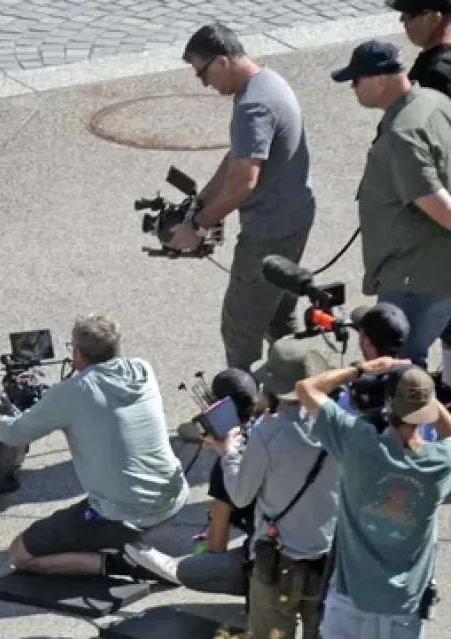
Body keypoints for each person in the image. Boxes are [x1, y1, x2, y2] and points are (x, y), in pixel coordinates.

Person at [0, 315, 189, 584]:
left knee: (20, 554)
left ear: (78, 353)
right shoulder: (142, 369)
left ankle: (122, 561)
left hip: (125, 514)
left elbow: (13, 434)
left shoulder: (73, 392)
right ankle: (118, 543)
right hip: (174, 496)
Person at [169, 23, 317, 372]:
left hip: (269, 231)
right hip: (294, 218)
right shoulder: (268, 81)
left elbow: (243, 183)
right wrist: (203, 200)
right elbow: (238, 157)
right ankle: (292, 383)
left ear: (222, 61)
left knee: (240, 324)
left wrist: (198, 227)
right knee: (278, 312)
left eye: (202, 74)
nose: (204, 84)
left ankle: (242, 396)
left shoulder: (253, 106)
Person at [296, 357, 451, 639]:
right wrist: (423, 390)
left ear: (389, 404)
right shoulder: (440, 462)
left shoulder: (358, 443)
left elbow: (307, 388)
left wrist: (364, 369)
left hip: (350, 600)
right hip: (404, 609)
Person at [204, 339, 341, 639]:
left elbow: (241, 496)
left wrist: (228, 453)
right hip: (327, 562)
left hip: (277, 566)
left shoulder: (266, 433)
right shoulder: (337, 426)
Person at [332, 39, 451, 370]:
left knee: (396, 369)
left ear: (380, 80)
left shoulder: (403, 134)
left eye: (356, 80)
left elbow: (441, 207)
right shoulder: (434, 101)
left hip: (416, 278)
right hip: (437, 270)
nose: (353, 88)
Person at [386, 0, 451, 396]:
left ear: (435, 15)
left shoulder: (433, 73)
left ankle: (416, 414)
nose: (403, 23)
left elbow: (423, 154)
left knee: (404, 346)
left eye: (408, 15)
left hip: (431, 227)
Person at [175, 368, 261, 598]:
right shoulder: (273, 431)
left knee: (188, 570)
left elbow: (217, 545)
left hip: (270, 559)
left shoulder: (226, 466)